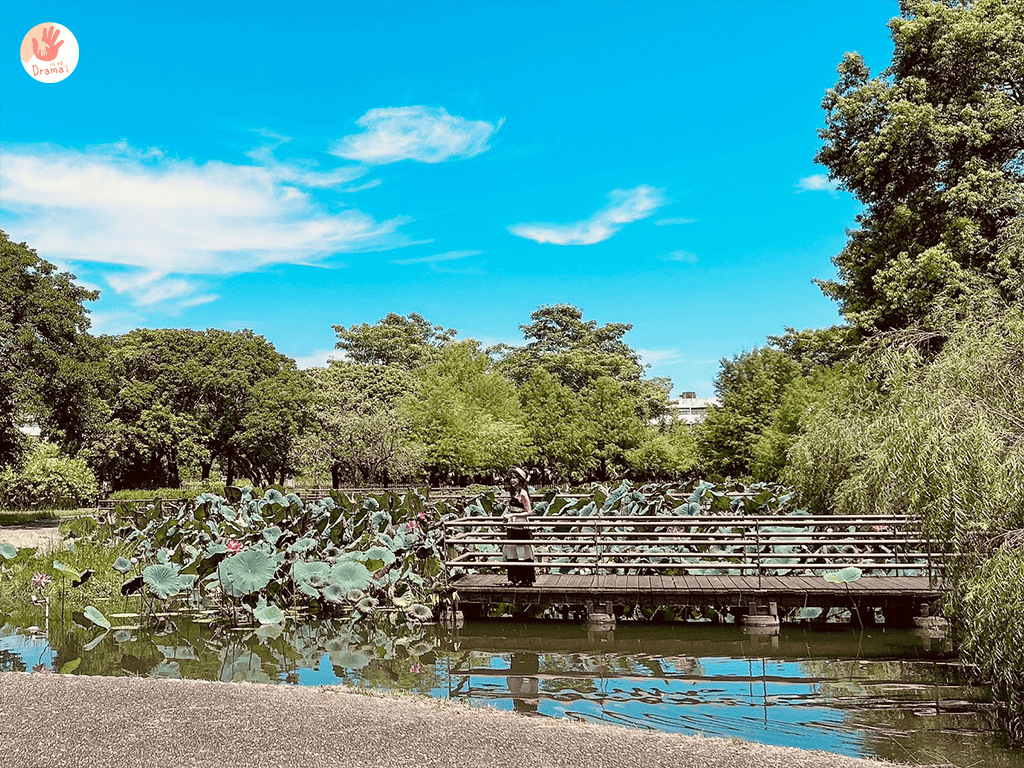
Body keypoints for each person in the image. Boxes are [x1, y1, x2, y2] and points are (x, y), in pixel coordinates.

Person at [503, 467, 536, 586]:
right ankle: (514, 578)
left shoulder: (523, 493)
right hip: (512, 524)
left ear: (520, 479)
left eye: (515, 478)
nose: (512, 480)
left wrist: (513, 515)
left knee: (522, 551)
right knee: (512, 550)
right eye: (511, 478)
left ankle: (525, 579)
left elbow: (529, 511)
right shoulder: (513, 493)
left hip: (521, 525)